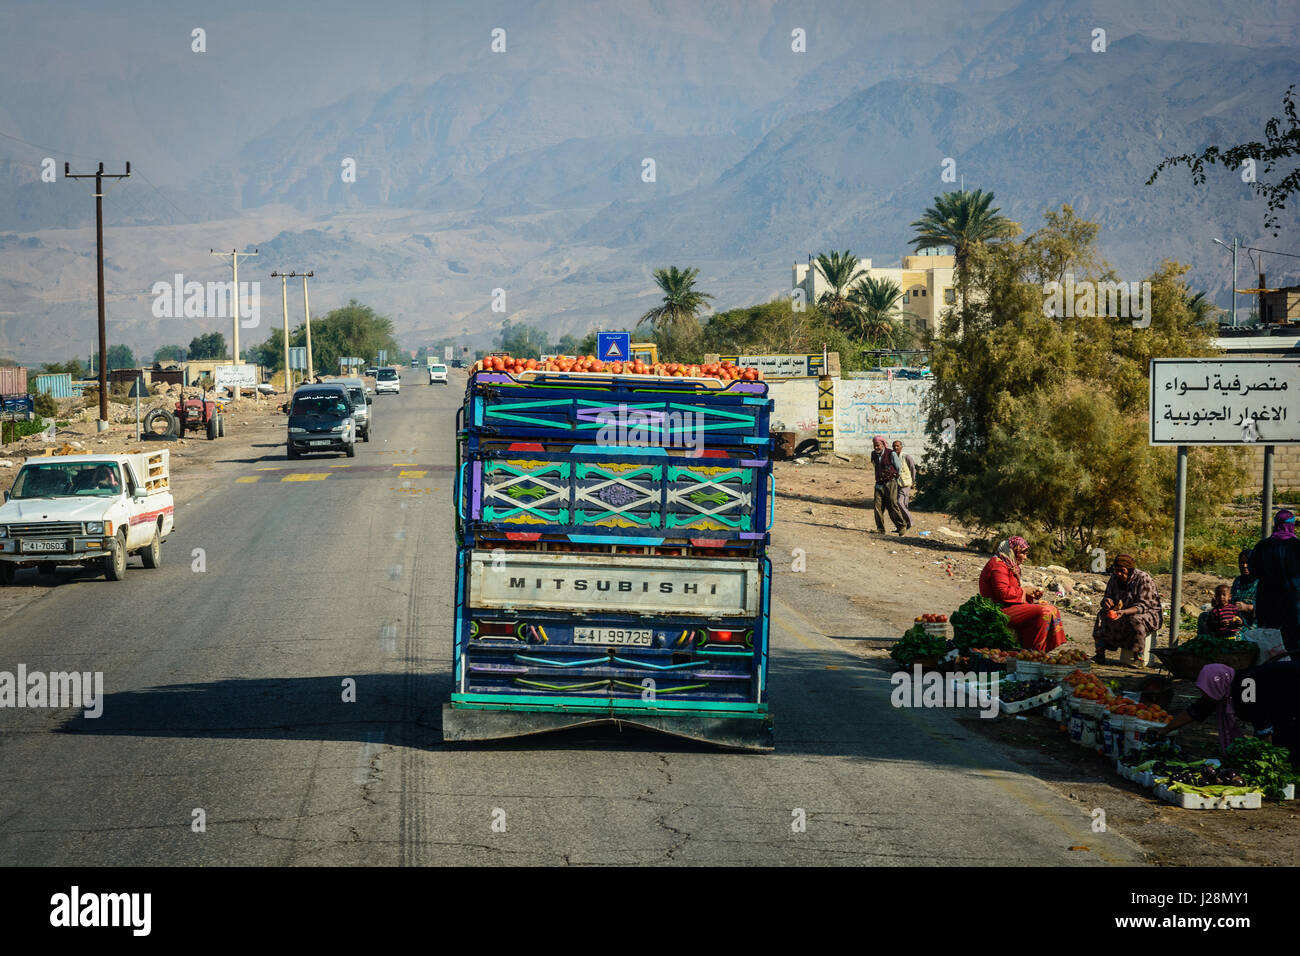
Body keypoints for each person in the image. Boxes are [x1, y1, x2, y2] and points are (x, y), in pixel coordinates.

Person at [1155, 659, 1300, 763]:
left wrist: (1266, 757)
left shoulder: (1245, 685)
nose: (1205, 695)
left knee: (1287, 741)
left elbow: (1260, 719)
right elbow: (1196, 711)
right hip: (1283, 700)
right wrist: (1164, 730)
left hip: (1293, 687)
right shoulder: (1221, 689)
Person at [977, 536, 1068, 652]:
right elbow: (1003, 593)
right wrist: (1025, 591)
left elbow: (1011, 591)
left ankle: (1036, 651)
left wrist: (1030, 596)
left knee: (1048, 608)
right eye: (1023, 553)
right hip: (998, 611)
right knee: (1046, 611)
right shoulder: (998, 566)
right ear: (1012, 552)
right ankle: (1036, 651)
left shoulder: (1007, 564)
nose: (1025, 557)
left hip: (1008, 607)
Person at [1249, 510, 1300, 653]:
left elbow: (1254, 571)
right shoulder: (1297, 546)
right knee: (1294, 642)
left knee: (1269, 641)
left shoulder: (1262, 546)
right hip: (1294, 602)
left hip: (1267, 601)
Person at [871, 436, 907, 536]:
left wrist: (894, 477)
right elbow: (875, 466)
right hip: (879, 484)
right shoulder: (873, 454)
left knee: (892, 504)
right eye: (875, 446)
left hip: (890, 482)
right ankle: (880, 529)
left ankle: (901, 527)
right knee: (877, 507)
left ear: (883, 444)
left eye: (878, 445)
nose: (876, 448)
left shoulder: (891, 453)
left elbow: (898, 467)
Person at [892, 439, 917, 531]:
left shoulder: (906, 457)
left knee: (900, 502)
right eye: (894, 446)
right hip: (897, 484)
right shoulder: (893, 457)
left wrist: (913, 481)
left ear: (901, 447)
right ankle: (902, 525)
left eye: (897, 446)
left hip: (905, 483)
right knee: (901, 505)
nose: (895, 448)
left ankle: (910, 521)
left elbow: (913, 469)